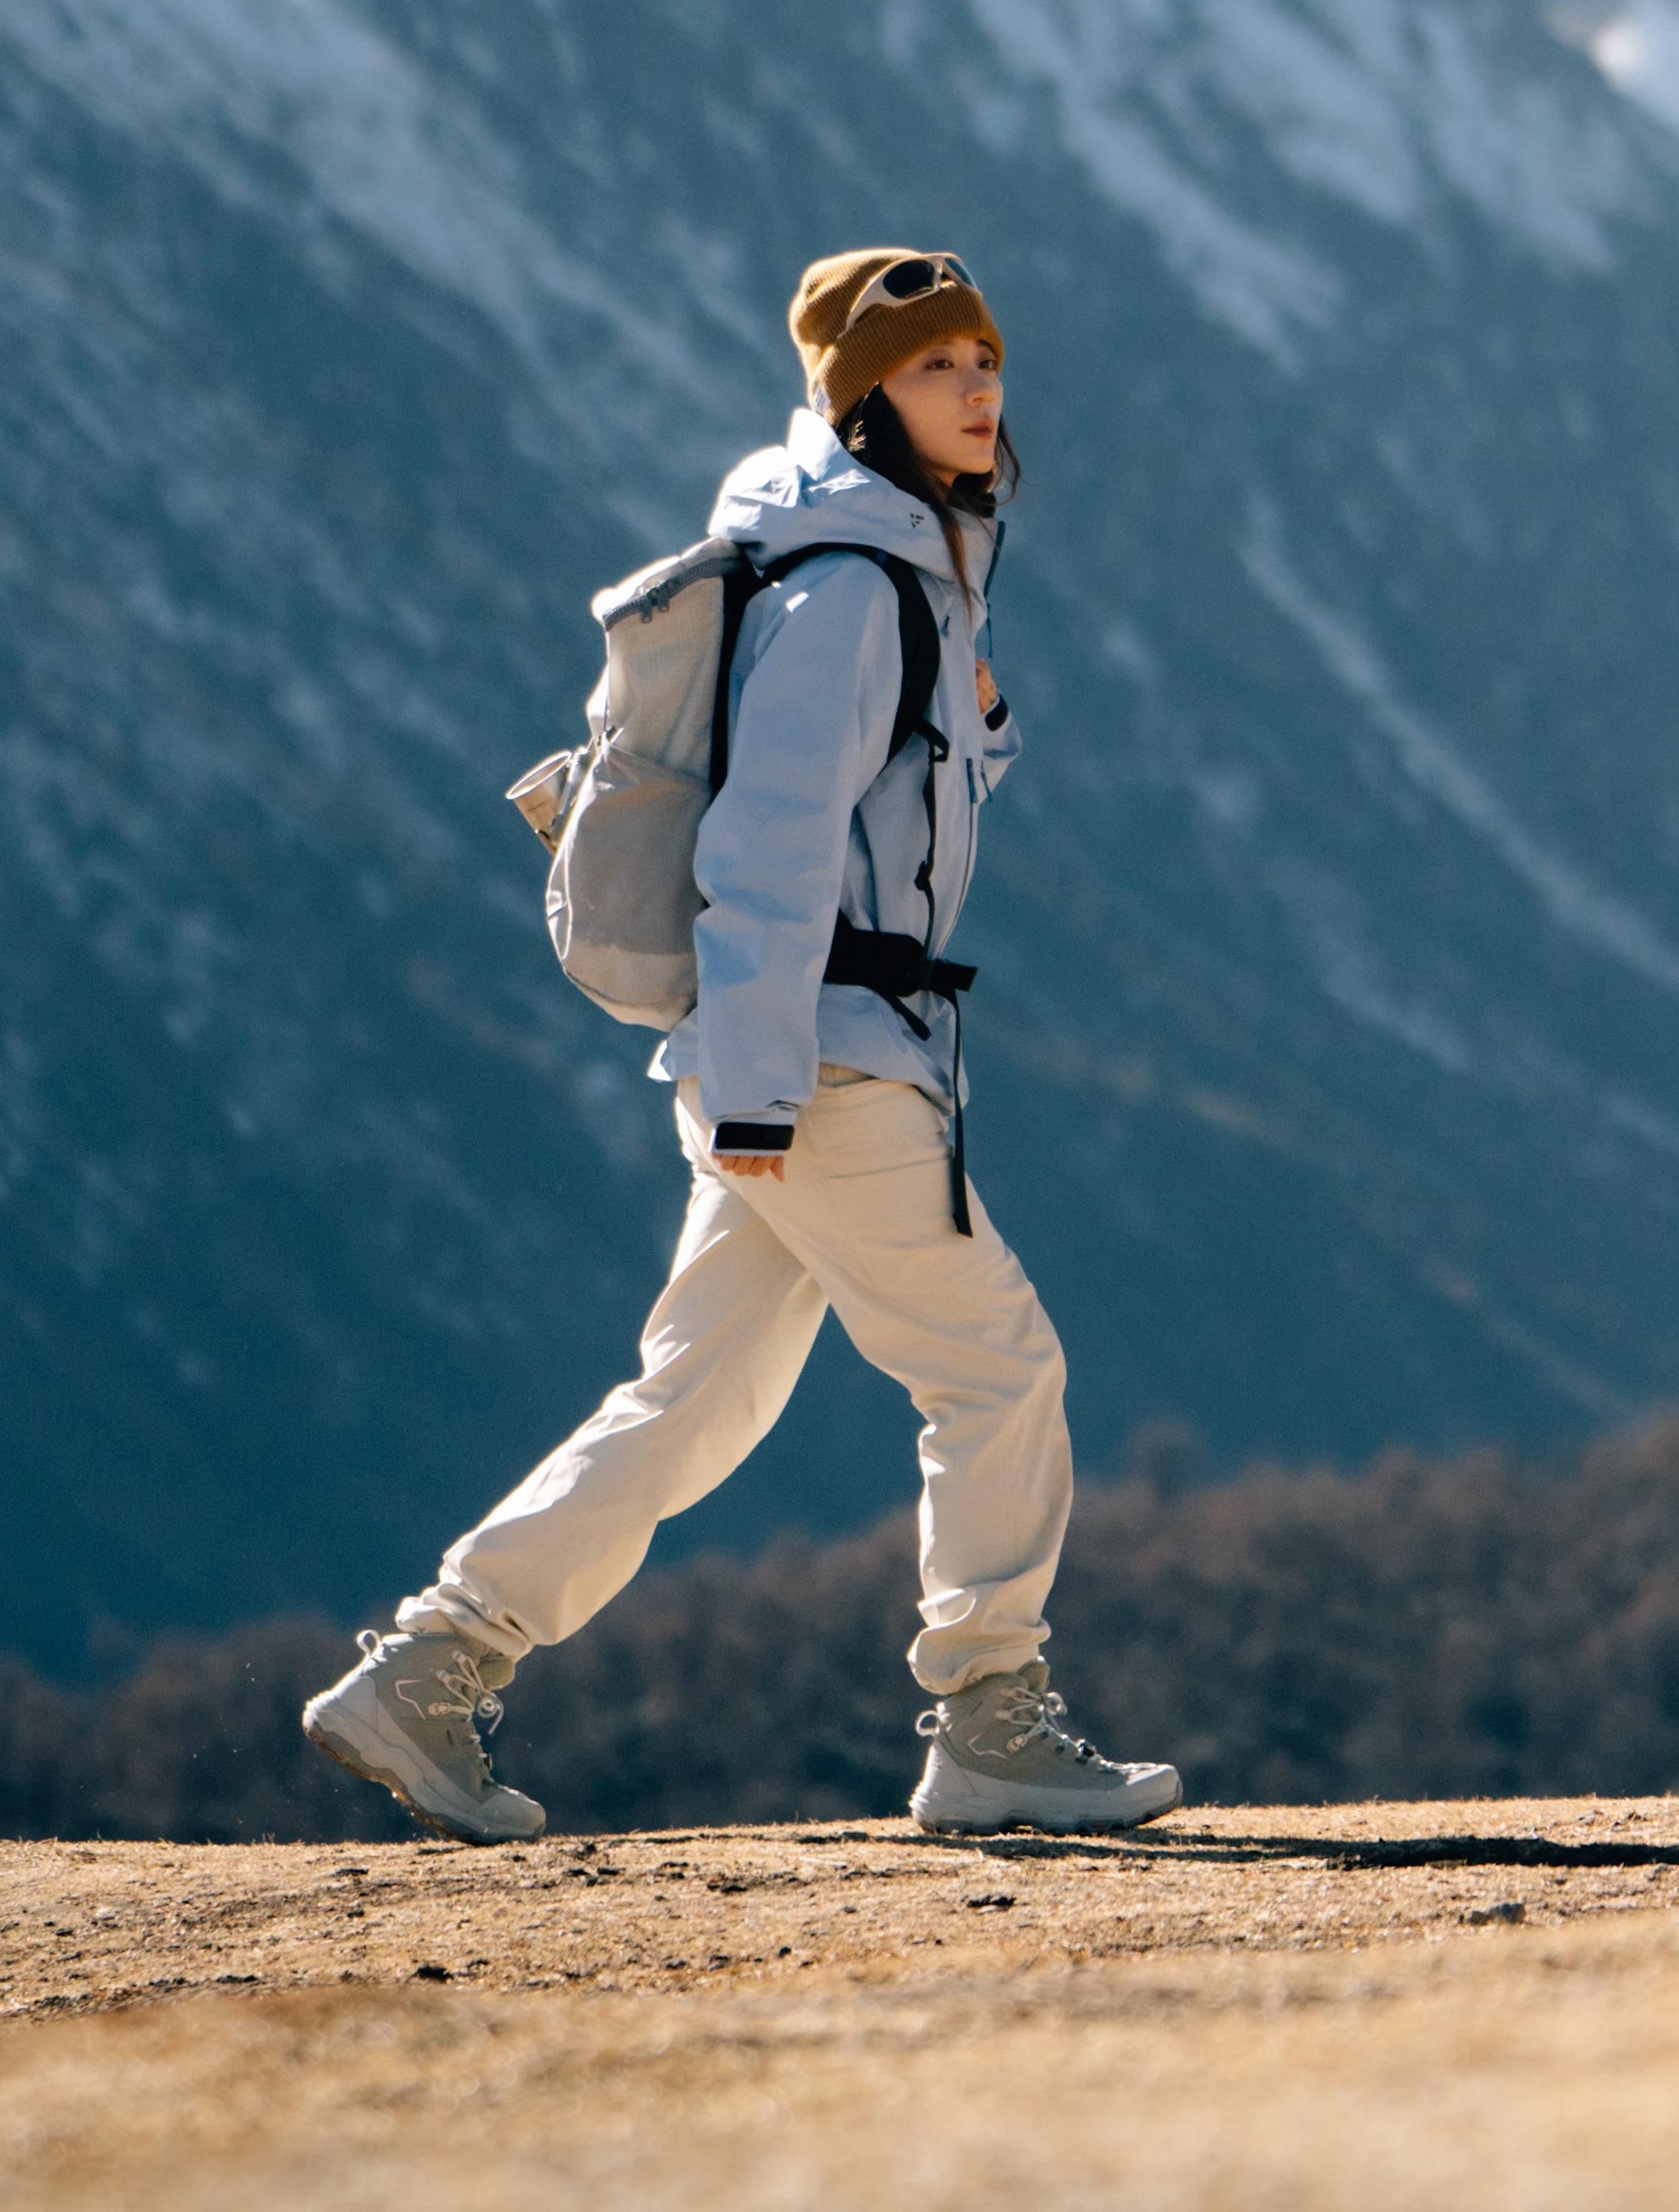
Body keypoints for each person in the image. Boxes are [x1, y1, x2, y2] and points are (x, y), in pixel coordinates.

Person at [302, 243, 1184, 1846]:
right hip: (823, 1061)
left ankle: (429, 1670)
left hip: (791, 1052)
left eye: (986, 358)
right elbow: (769, 848)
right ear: (862, 396)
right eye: (938, 368)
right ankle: (992, 1713)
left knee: (690, 1407)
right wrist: (769, 1087)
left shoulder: (880, 566)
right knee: (999, 1371)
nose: (980, 389)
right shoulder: (851, 587)